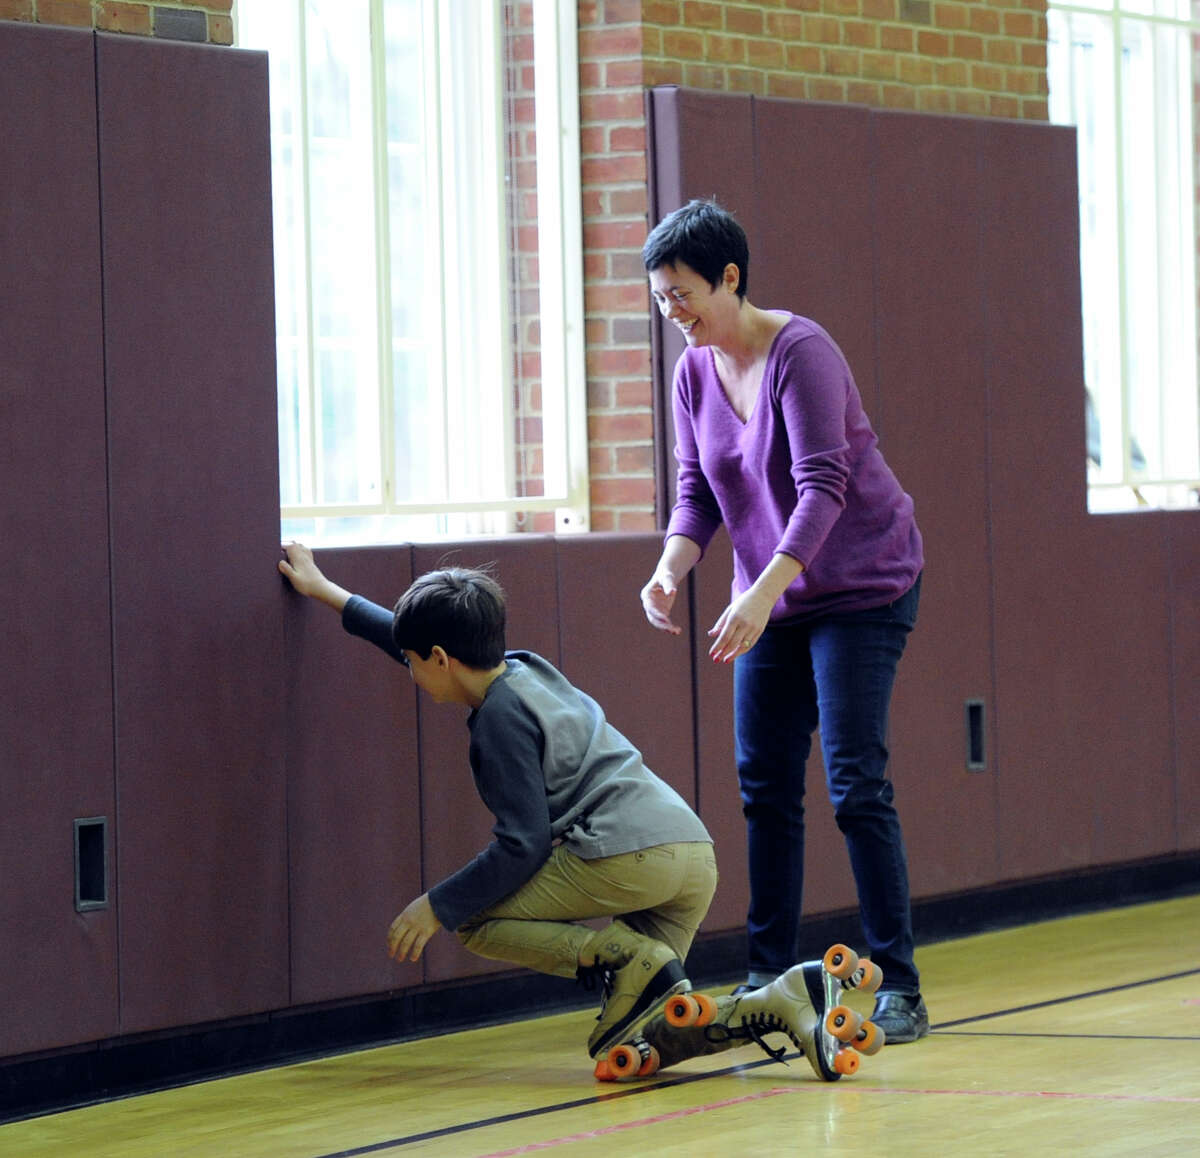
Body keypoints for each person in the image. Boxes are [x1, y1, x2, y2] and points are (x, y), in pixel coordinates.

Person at [638, 199, 929, 1043]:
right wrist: (668, 570)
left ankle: (899, 984)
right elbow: (696, 494)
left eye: (683, 293)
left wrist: (762, 593)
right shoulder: (692, 372)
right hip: (772, 594)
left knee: (854, 782)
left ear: (731, 277)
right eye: (660, 299)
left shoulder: (802, 352)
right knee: (764, 787)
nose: (673, 313)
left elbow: (823, 488)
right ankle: (769, 982)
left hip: (861, 587)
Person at [277, 541, 722, 1064]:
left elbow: (522, 844)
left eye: (416, 662)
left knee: (474, 920)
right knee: (660, 1020)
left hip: (626, 856)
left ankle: (615, 953)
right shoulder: (526, 670)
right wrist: (325, 590)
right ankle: (769, 1009)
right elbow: (406, 639)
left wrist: (436, 905)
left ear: (441, 659)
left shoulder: (499, 721)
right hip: (692, 854)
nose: (410, 670)